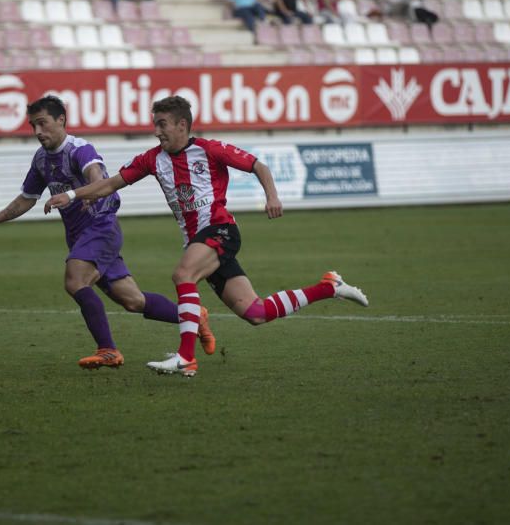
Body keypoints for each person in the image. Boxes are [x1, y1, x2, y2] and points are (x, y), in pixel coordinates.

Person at [45, 95, 369, 378]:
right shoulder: (151, 159)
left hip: (220, 229)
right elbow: (110, 184)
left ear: (182, 125)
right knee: (255, 313)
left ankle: (186, 358)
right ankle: (328, 287)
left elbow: (259, 166)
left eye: (162, 124)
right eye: (154, 124)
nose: (157, 131)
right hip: (198, 242)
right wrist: (73, 196)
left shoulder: (210, 150)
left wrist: (272, 196)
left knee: (183, 274)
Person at [0, 95, 216, 369]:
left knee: (75, 280)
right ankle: (194, 316)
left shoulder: (79, 149)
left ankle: (108, 350)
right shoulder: (42, 159)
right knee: (133, 301)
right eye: (33, 126)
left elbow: (97, 174)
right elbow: (27, 197)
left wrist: (84, 193)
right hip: (81, 237)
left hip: (101, 227)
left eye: (42, 124)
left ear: (61, 120)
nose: (37, 132)